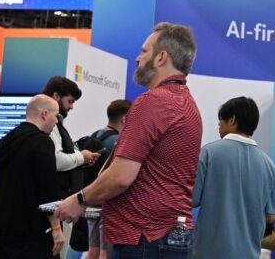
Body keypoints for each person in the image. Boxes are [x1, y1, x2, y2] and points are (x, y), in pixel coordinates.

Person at [55, 22, 202, 259]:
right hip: (170, 236)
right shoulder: (189, 106)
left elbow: (121, 176)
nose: (137, 58)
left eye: (144, 51)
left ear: (161, 57)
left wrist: (79, 200)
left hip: (144, 238)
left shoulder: (153, 101)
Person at [192, 96, 275, 258]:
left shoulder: (208, 153)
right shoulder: (270, 166)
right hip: (249, 253)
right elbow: (270, 217)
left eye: (221, 119)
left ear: (232, 119)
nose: (219, 124)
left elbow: (192, 198)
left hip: (209, 251)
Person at [0, 95, 66, 258]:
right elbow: (47, 189)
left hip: (1, 232)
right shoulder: (41, 142)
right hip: (31, 234)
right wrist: (56, 229)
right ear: (45, 114)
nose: (57, 121)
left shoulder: (5, 141)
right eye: (56, 115)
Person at [85, 99, 131, 259]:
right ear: (125, 119)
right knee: (106, 253)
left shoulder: (95, 135)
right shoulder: (118, 143)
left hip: (91, 203)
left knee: (92, 250)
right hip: (108, 206)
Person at [42, 77, 102, 198]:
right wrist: (81, 157)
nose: (72, 107)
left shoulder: (56, 124)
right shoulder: (49, 124)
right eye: (70, 101)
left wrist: (82, 160)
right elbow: (56, 160)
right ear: (56, 96)